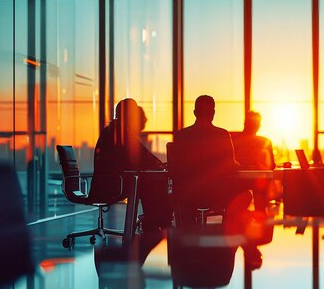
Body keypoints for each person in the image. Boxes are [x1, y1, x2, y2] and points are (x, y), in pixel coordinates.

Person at [171, 95, 251, 229]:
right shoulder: (222, 135)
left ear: (195, 113)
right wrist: (239, 165)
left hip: (188, 195)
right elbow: (230, 165)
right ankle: (228, 231)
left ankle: (186, 230)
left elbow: (176, 168)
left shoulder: (181, 136)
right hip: (217, 194)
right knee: (245, 195)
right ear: (213, 113)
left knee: (177, 195)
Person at [91, 98, 171, 233]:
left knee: (149, 184)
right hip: (113, 185)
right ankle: (157, 222)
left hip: (110, 182)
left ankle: (155, 221)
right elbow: (140, 156)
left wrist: (156, 163)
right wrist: (160, 164)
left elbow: (140, 156)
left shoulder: (115, 130)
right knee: (152, 185)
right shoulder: (120, 134)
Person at [232, 110, 276, 212]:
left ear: (245, 123)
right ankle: (261, 215)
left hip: (239, 180)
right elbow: (272, 165)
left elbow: (228, 163)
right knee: (260, 202)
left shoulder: (234, 140)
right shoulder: (265, 141)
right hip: (258, 180)